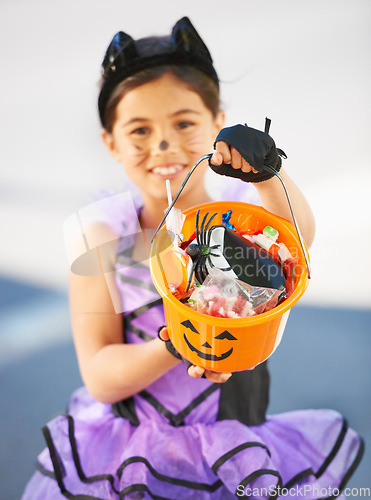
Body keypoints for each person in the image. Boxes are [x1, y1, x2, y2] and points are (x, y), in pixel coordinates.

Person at [22, 17, 363, 500]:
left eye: (184, 123)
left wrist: (266, 176)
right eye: (139, 130)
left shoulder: (240, 208)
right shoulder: (100, 233)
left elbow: (296, 240)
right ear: (111, 143)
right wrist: (180, 343)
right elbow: (99, 374)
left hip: (235, 447)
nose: (164, 145)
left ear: (217, 123)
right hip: (129, 454)